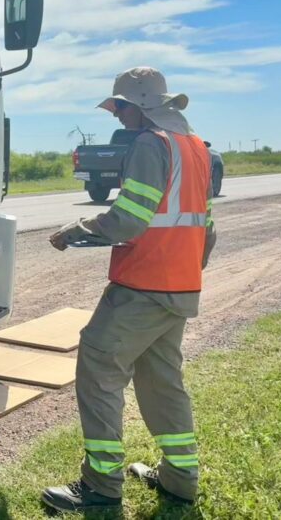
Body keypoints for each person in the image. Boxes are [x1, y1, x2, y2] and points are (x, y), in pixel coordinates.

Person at [41, 67, 217, 513]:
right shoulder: (195, 148)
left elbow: (128, 220)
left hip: (143, 284)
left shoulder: (149, 146)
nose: (117, 115)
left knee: (99, 366)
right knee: (162, 381)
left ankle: (101, 485)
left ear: (140, 106)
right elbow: (207, 230)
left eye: (120, 106)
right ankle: (180, 479)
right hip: (179, 286)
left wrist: (75, 231)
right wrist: (185, 275)